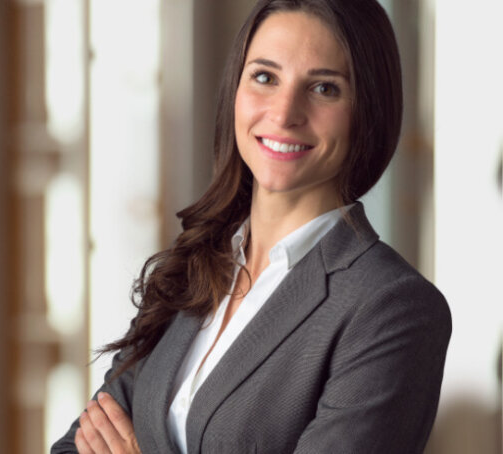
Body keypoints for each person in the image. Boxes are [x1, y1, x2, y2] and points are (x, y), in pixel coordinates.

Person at [52, 0, 451, 452]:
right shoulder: (195, 264)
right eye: (265, 77)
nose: (284, 114)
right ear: (235, 90)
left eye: (324, 88)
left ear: (369, 110)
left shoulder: (392, 308)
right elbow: (77, 443)